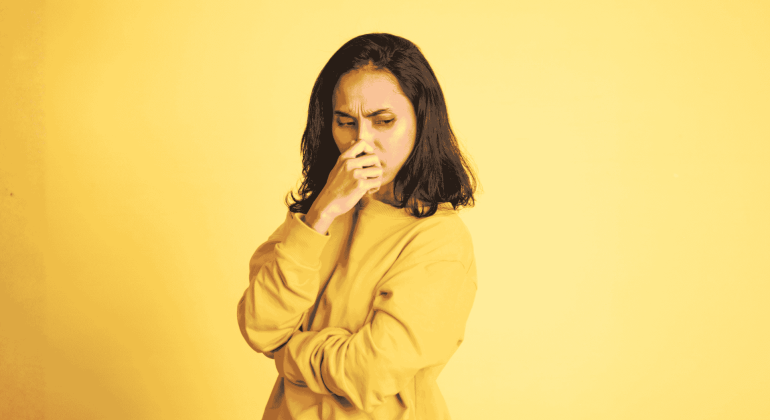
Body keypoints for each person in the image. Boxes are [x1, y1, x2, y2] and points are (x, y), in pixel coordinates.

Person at [237, 33, 479, 420]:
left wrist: (289, 351)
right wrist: (320, 215)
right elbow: (259, 325)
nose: (361, 142)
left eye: (383, 122)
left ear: (422, 121)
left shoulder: (438, 238)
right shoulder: (318, 215)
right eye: (346, 122)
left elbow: (367, 373)